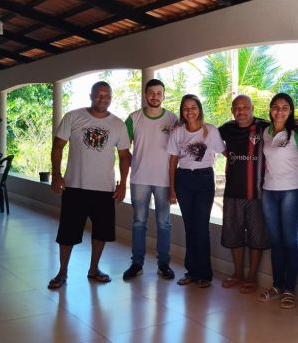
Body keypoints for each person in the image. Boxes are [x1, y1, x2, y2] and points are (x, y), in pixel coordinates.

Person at [47, 81, 131, 289]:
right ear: (91, 95)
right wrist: (56, 175)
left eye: (107, 95)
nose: (102, 99)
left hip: (104, 189)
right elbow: (57, 146)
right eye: (98, 95)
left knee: (102, 232)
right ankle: (62, 272)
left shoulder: (118, 124)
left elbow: (124, 157)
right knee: (67, 233)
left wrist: (123, 185)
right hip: (75, 186)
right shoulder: (73, 117)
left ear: (111, 97)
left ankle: (94, 269)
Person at [167, 94, 225, 288]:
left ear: (199, 109)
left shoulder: (210, 131)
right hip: (183, 180)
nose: (189, 111)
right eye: (185, 108)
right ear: (182, 112)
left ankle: (205, 275)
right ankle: (191, 272)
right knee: (189, 227)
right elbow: (173, 161)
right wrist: (172, 188)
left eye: (193, 107)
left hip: (204, 179)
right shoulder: (177, 132)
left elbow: (225, 153)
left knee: (201, 227)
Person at [123, 79, 177, 281]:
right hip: (139, 179)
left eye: (159, 93)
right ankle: (137, 263)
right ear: (145, 95)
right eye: (151, 93)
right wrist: (133, 162)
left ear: (163, 95)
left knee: (164, 224)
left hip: (164, 180)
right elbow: (122, 147)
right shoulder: (133, 118)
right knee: (139, 223)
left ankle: (164, 264)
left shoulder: (172, 119)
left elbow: (177, 152)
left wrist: (174, 183)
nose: (155, 96)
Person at [218, 95, 271, 294]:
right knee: (233, 235)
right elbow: (206, 135)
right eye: (236, 108)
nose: (241, 111)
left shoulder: (265, 127)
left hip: (257, 193)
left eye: (245, 107)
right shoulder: (226, 129)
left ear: (252, 108)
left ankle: (252, 276)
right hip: (232, 192)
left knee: (257, 237)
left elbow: (288, 134)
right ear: (232, 110)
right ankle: (238, 273)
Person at [257, 93, 298, 309]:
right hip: (269, 191)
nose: (279, 111)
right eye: (275, 107)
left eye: (285, 107)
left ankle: (290, 289)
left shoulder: (296, 133)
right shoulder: (265, 132)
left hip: (292, 192)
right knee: (275, 242)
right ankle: (277, 286)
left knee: (290, 242)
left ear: (291, 110)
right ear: (270, 109)